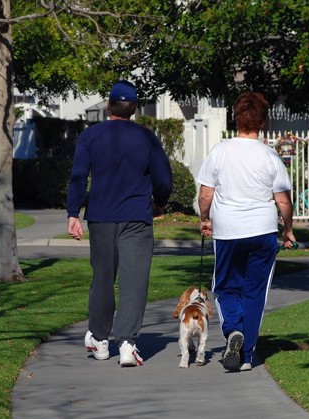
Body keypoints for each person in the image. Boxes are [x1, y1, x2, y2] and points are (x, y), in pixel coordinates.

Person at [66, 80, 173, 367]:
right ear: (134, 109)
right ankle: (127, 343)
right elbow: (164, 178)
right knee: (134, 280)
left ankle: (100, 340)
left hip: (101, 217)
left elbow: (78, 176)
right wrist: (159, 203)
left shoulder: (91, 136)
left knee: (102, 278)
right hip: (137, 217)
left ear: (110, 105)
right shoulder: (147, 138)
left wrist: (73, 213)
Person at [196, 91, 296, 372]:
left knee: (226, 287)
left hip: (228, 230)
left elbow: (205, 194)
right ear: (263, 122)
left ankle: (233, 331)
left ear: (236, 118)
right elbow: (283, 201)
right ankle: (247, 356)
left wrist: (205, 218)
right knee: (254, 292)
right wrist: (288, 230)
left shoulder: (220, 150)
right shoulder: (270, 156)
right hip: (263, 230)